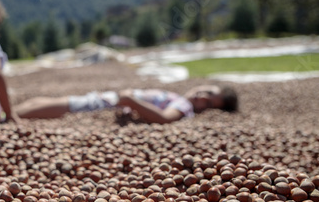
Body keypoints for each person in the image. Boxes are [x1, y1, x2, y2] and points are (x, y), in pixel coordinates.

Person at [14, 85, 238, 124]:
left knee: (55, 105)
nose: (201, 97)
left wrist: (130, 100)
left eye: (208, 103)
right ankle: (7, 112)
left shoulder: (183, 107)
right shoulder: (181, 98)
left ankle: (5, 115)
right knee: (40, 102)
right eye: (207, 92)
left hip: (105, 105)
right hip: (106, 100)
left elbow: (164, 118)